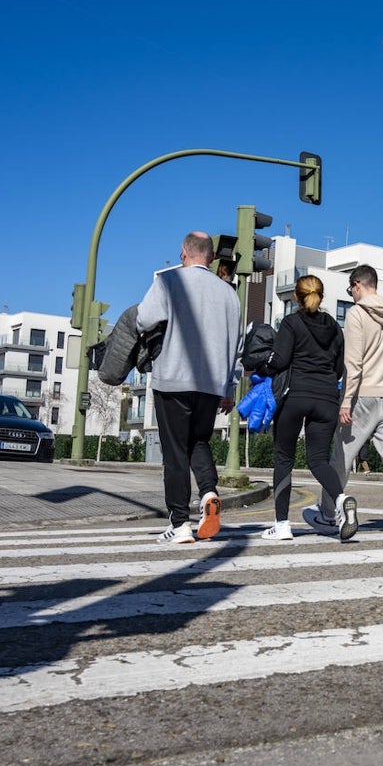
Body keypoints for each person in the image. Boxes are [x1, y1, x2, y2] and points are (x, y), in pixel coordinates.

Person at [136, 232, 242, 545]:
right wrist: (229, 387)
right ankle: (209, 492)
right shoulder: (229, 294)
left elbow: (143, 320)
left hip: (173, 378)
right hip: (210, 385)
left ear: (184, 252)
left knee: (175, 453)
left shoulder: (170, 282)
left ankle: (180, 523)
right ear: (210, 256)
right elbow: (237, 347)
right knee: (198, 442)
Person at [309, 264, 383, 538]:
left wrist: (345, 402)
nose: (351, 294)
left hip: (362, 396)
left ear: (357, 285)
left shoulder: (357, 314)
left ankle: (328, 513)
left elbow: (352, 363)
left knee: (341, 457)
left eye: (350, 289)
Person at [261, 275, 355, 541]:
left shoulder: (291, 323)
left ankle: (281, 525)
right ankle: (341, 499)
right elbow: (339, 370)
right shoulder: (336, 329)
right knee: (317, 460)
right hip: (327, 400)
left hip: (295, 397)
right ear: (321, 296)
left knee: (284, 459)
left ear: (296, 297)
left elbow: (279, 361)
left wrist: (263, 367)